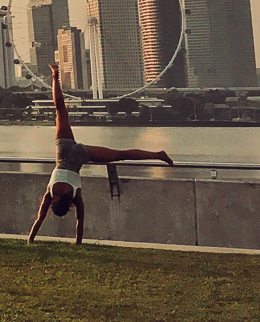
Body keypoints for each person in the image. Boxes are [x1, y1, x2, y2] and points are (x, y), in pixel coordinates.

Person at [28, 64, 174, 244]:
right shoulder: (51, 192)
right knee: (60, 110)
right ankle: (55, 77)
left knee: (122, 154)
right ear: (55, 201)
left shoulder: (75, 196)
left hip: (80, 155)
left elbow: (78, 222)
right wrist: (30, 240)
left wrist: (77, 243)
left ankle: (158, 155)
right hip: (64, 148)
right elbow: (39, 220)